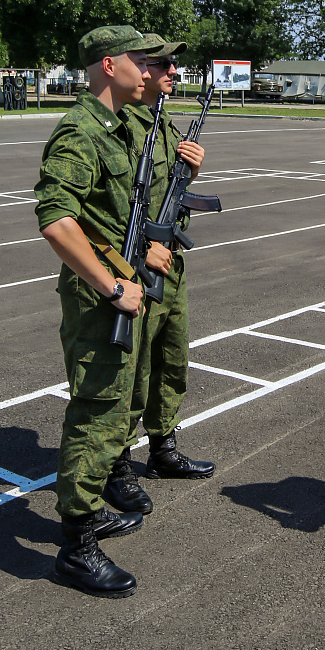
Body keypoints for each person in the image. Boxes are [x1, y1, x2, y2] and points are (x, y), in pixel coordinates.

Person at [35, 25, 165, 597]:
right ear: (110, 66)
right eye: (141, 60)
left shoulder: (116, 127)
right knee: (95, 411)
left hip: (124, 283)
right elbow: (56, 220)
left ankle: (88, 513)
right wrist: (113, 287)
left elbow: (111, 219)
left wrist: (140, 258)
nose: (150, 69)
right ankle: (76, 545)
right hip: (99, 299)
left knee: (113, 409)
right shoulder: (81, 131)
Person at [104, 37, 215, 519]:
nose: (173, 69)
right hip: (137, 263)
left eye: (174, 63)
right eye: (164, 63)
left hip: (171, 261)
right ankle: (118, 462)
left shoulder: (165, 124)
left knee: (172, 357)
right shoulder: (126, 126)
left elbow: (172, 191)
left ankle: (163, 444)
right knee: (134, 366)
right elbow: (115, 205)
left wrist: (193, 168)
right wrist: (146, 247)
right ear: (141, 70)